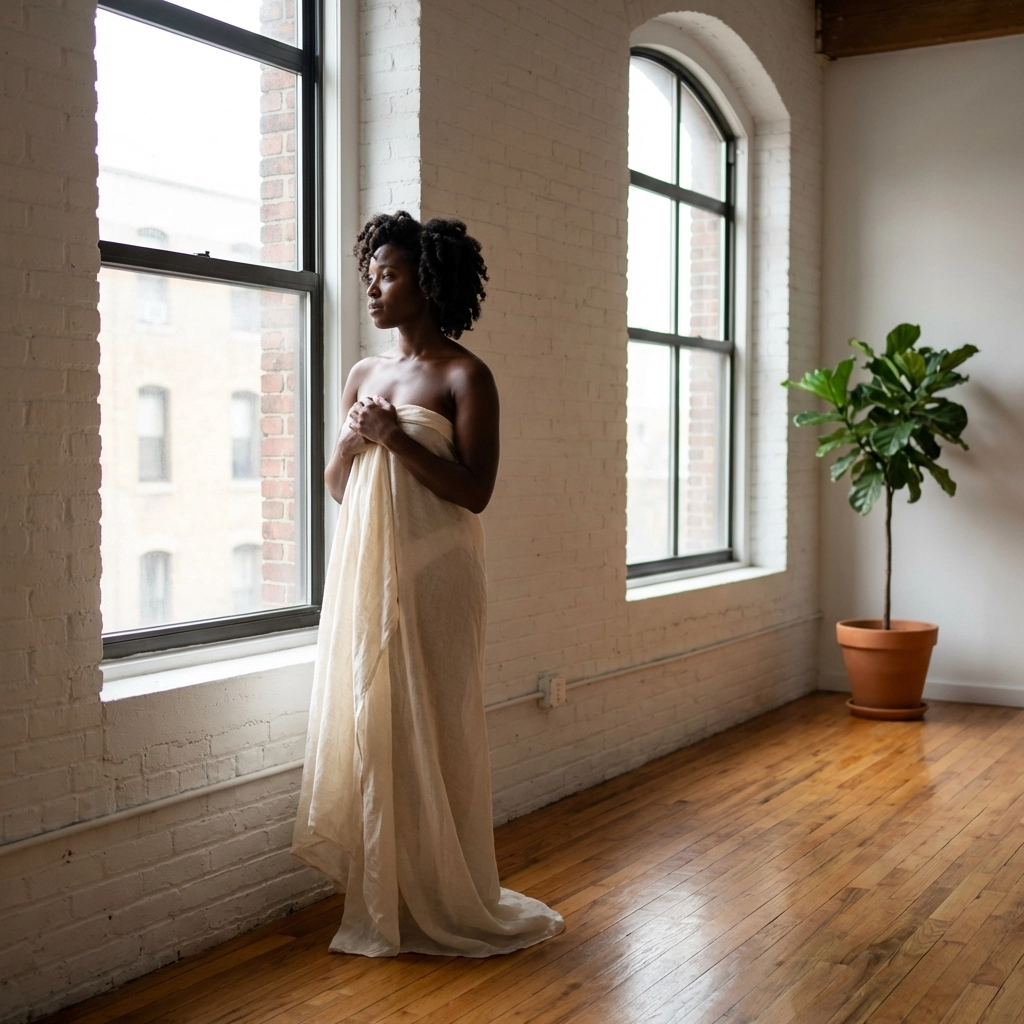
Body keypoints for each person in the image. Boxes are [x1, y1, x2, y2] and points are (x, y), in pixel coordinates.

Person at [292, 211, 564, 956]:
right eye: (370, 275)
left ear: (429, 281)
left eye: (389, 275)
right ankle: (389, 897)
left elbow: (475, 491)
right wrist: (355, 440)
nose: (373, 289)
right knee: (375, 723)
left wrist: (395, 439)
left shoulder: (465, 376)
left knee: (438, 729)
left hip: (439, 579)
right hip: (369, 574)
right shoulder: (362, 374)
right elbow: (340, 487)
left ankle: (450, 892)